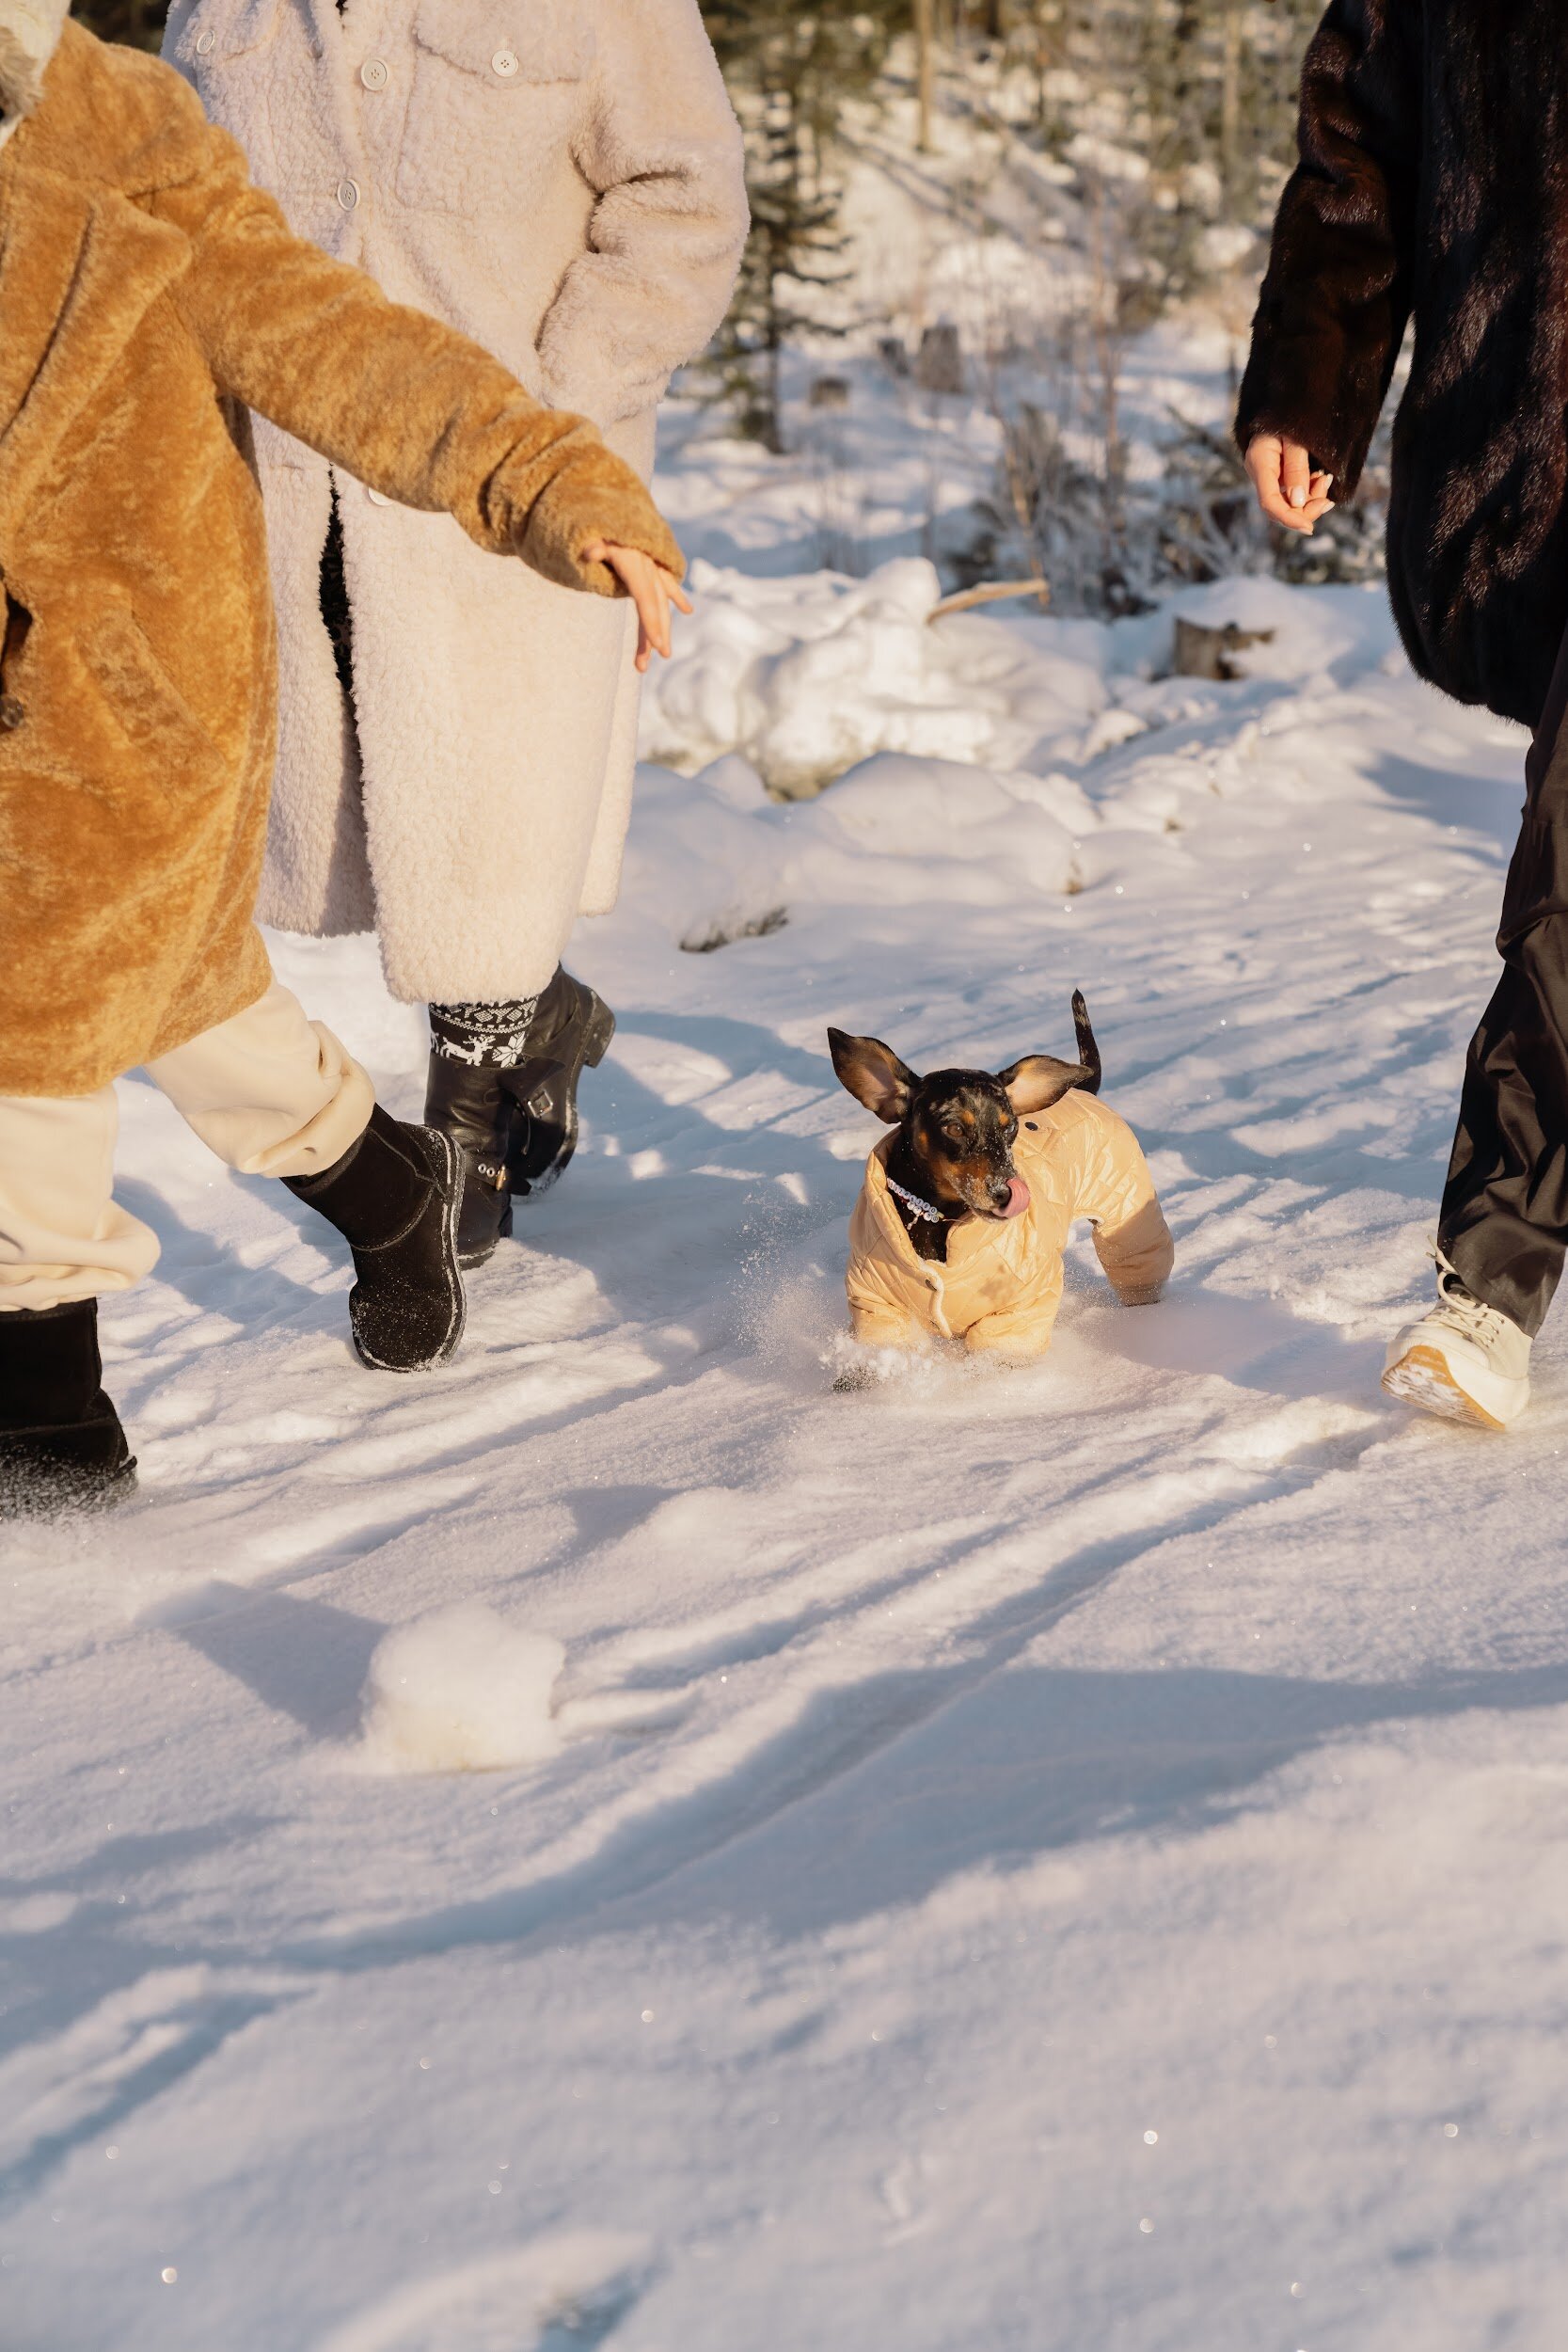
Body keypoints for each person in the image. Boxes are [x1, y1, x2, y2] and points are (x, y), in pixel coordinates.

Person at [0, 0, 687, 1514]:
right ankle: (387, 1187)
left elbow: (336, 340)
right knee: (184, 1000)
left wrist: (553, 472)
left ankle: (46, 1418)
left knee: (32, 1006)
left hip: (116, 692)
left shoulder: (125, 138)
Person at [163, 0, 749, 1266]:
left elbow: (686, 194)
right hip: (286, 478)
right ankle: (541, 1008)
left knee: (489, 817)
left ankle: (465, 1132)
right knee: (367, 810)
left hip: (512, 490)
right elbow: (177, 201)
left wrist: (557, 408)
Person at [1237, 0, 1568, 1430]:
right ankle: (1490, 1293)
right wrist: (1312, 392)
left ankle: (1497, 1271)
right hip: (1533, 476)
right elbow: (1354, 164)